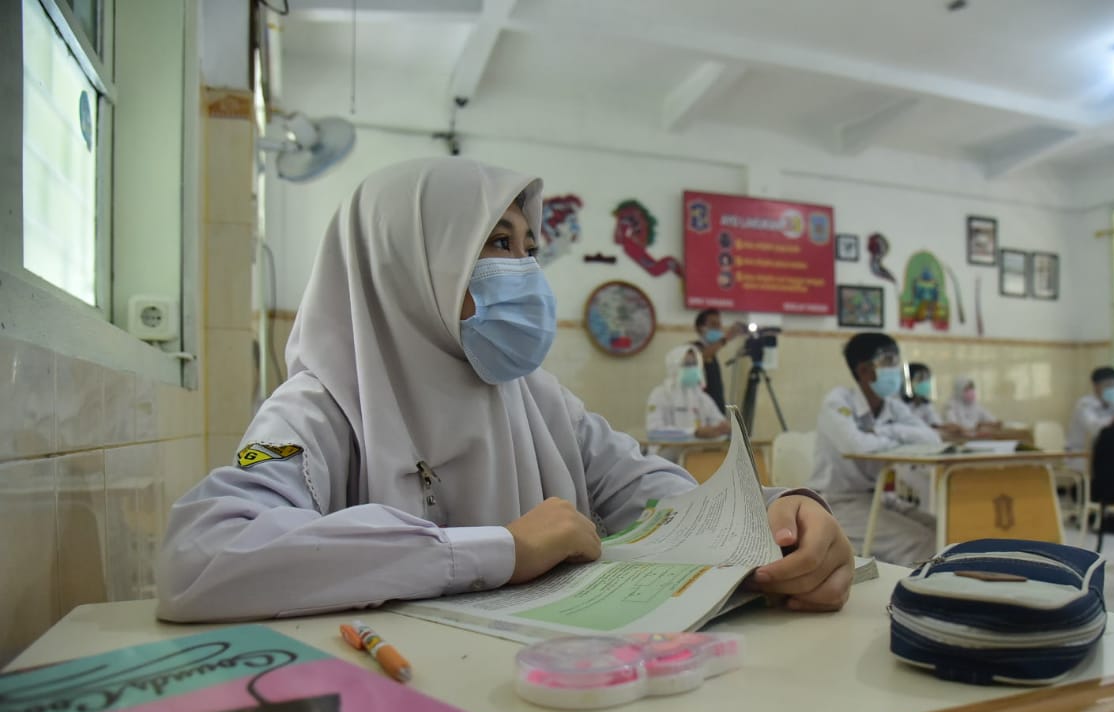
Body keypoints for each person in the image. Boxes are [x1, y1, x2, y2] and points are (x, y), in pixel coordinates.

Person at [156, 159, 854, 622]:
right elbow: (203, 553)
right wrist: (497, 550)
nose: (524, 270)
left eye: (528, 248)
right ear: (409, 266)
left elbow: (660, 498)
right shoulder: (318, 409)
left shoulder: (538, 398)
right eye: (495, 243)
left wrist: (780, 514)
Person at [808, 333, 941, 566]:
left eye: (896, 362)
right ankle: (912, 595)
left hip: (879, 498)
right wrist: (901, 437)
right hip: (838, 502)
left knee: (943, 529)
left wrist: (882, 432)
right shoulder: (838, 401)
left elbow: (932, 438)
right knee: (922, 542)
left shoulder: (893, 406)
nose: (896, 370)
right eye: (889, 362)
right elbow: (856, 445)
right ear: (864, 371)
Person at [645, 344, 729, 461]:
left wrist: (725, 428)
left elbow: (719, 424)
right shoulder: (660, 394)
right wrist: (694, 433)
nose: (692, 369)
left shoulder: (703, 398)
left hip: (698, 459)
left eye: (695, 364)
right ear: (674, 367)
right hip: (665, 461)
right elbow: (654, 433)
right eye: (687, 364)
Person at [1067, 366, 1114, 466]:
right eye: (1108, 385)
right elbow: (1094, 428)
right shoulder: (1084, 404)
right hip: (1081, 454)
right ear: (1096, 386)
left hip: (1105, 451)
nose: (1112, 388)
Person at [692, 308, 746, 414]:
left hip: (716, 410)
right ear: (700, 328)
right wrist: (726, 338)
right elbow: (700, 357)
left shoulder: (713, 353)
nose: (718, 328)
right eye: (713, 324)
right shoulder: (693, 348)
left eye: (719, 325)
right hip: (701, 412)